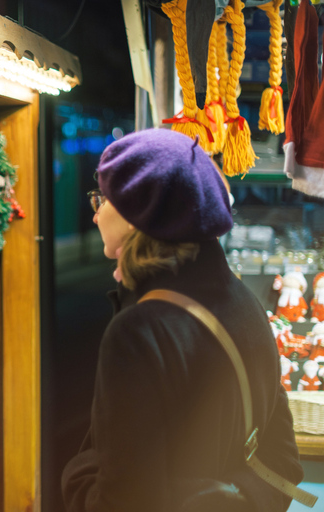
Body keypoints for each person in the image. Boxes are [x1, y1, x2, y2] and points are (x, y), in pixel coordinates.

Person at [61, 129, 303, 512]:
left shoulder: (140, 331)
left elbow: (122, 501)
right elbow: (283, 459)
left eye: (103, 197)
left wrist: (78, 474)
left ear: (138, 211)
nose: (94, 211)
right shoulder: (243, 301)